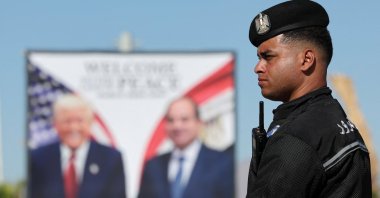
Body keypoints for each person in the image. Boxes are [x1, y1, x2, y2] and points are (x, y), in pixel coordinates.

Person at [246, 1, 372, 198]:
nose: (258, 67)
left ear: (306, 60)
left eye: (268, 57)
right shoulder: (335, 121)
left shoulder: (297, 138)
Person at [29, 94, 126, 198]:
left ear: (90, 123)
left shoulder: (111, 159)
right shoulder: (38, 158)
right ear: (55, 124)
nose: (73, 127)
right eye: (67, 121)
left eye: (80, 121)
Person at [138, 97, 234, 198]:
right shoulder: (153, 166)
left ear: (199, 123)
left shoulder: (222, 163)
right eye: (171, 120)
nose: (177, 126)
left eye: (184, 119)